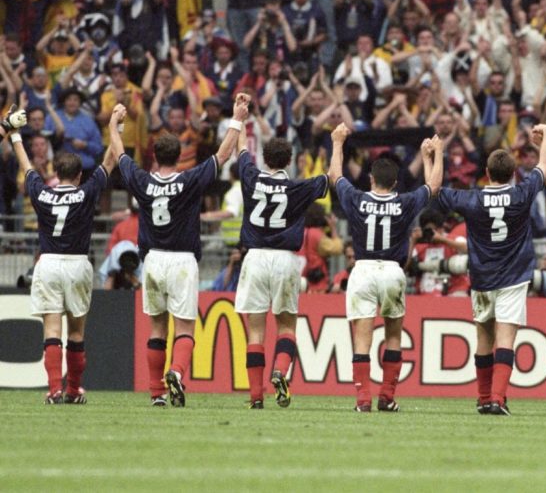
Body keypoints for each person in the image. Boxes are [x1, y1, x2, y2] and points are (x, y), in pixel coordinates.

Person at [110, 93, 247, 407]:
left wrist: (114, 125)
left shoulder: (143, 181)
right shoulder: (189, 180)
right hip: (183, 260)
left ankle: (157, 393)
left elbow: (119, 155)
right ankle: (177, 370)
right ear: (180, 153)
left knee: (157, 326)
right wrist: (237, 119)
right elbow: (223, 155)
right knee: (184, 327)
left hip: (153, 260)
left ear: (155, 156)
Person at [435, 125, 546, 416]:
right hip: (513, 277)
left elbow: (435, 189)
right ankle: (498, 399)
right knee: (505, 339)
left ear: (486, 173)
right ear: (514, 174)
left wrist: (436, 154)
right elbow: (545, 164)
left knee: (484, 338)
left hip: (482, 277)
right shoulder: (522, 193)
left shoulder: (472, 199)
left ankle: (483, 397)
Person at [4, 104, 116, 404]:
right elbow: (109, 161)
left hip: (49, 263)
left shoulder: (42, 192)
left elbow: (27, 167)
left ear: (55, 173)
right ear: (79, 174)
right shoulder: (87, 191)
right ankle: (74, 390)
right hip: (78, 264)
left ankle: (54, 389)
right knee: (76, 333)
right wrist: (115, 126)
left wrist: (15, 135)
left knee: (52, 330)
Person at [329, 123, 442, 412]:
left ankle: (363, 400)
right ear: (394, 184)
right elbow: (433, 187)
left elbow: (336, 176)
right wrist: (432, 156)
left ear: (370, 180)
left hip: (363, 269)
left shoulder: (356, 198)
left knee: (362, 339)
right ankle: (387, 397)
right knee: (393, 334)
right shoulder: (404, 202)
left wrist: (338, 142)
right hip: (392, 270)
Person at [232, 129, 328, 409]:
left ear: (264, 158)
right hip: (286, 260)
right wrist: (336, 144)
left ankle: (255, 397)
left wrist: (240, 118)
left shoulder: (250, 178)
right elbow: (330, 179)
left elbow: (241, 152)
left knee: (255, 332)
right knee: (286, 326)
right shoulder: (297, 187)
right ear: (289, 161)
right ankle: (280, 370)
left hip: (255, 258)